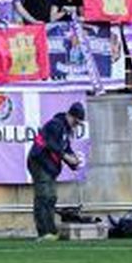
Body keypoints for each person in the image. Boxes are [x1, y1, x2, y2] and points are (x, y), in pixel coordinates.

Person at [27, 101, 85, 241]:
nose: (76, 125)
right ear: (71, 116)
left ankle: (51, 231)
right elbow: (51, 144)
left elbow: (65, 148)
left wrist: (74, 162)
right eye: (76, 122)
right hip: (39, 162)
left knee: (51, 197)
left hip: (49, 166)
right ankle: (44, 232)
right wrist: (67, 157)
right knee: (44, 196)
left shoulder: (65, 129)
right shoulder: (55, 124)